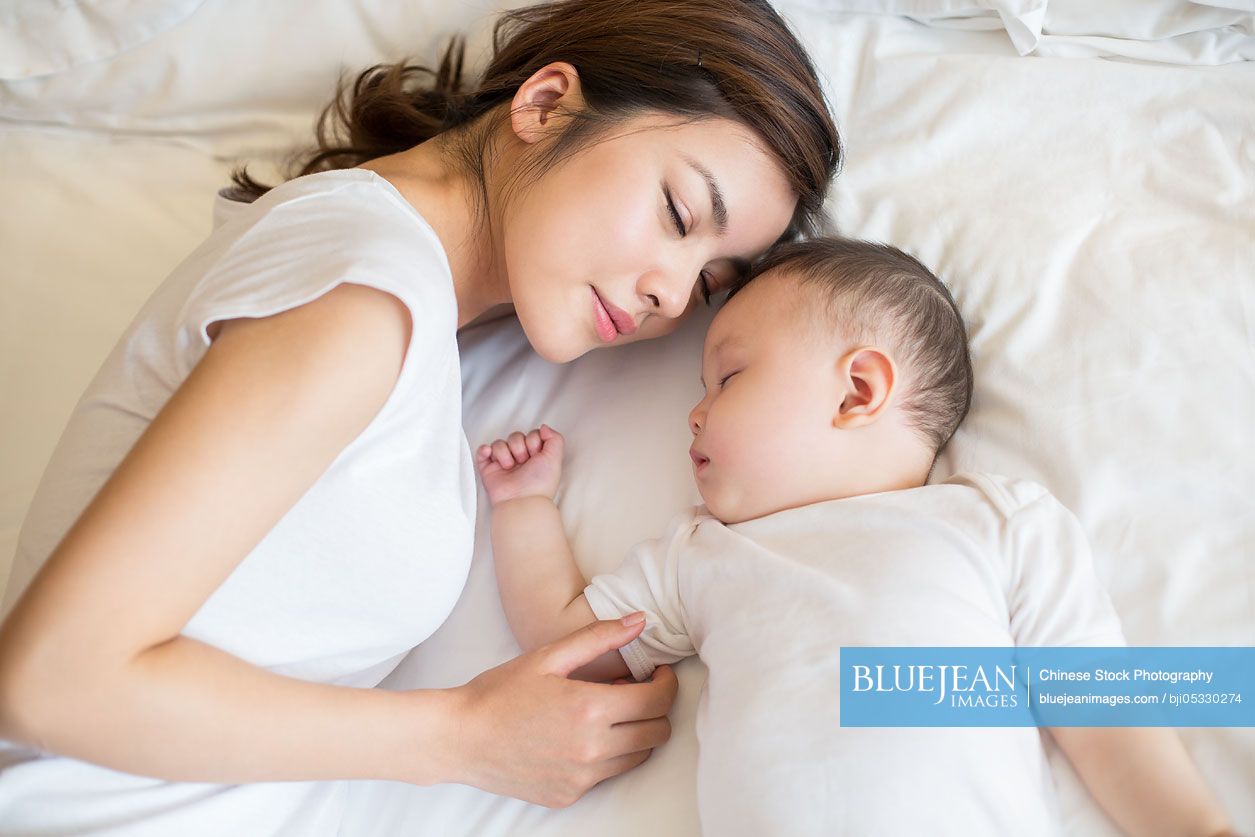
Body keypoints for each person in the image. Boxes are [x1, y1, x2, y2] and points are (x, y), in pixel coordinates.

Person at [0, 0, 841, 833]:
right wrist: (461, 735)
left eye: (707, 282)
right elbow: (52, 679)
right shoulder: (359, 299)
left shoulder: (407, 298)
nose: (669, 292)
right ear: (546, 104)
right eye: (678, 214)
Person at [475, 237, 1239, 836]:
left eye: (727, 378)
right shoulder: (701, 555)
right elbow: (565, 639)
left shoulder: (991, 524)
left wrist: (1196, 827)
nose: (694, 413)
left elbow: (1095, 698)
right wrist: (523, 506)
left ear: (856, 391)